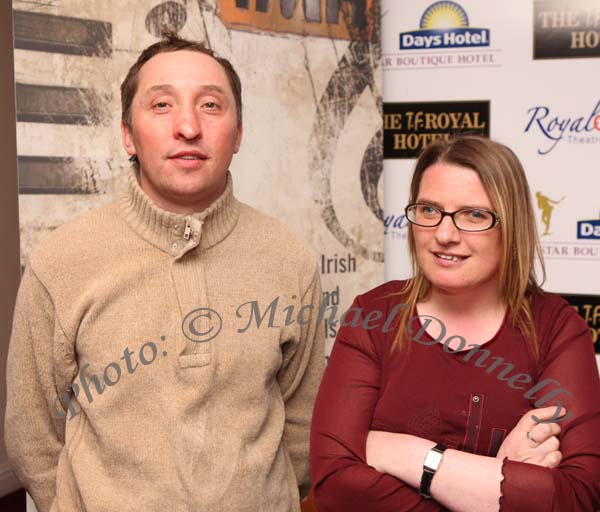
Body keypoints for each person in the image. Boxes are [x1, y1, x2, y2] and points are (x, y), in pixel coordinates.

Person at [5, 34, 324, 511]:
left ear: (238, 134)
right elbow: (33, 433)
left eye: (211, 105)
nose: (189, 126)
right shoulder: (62, 261)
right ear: (128, 135)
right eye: (161, 104)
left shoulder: (289, 258)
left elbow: (302, 421)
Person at [310, 135, 600, 511]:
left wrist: (407, 455)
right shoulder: (373, 316)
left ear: (511, 226)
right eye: (429, 210)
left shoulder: (556, 329)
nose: (444, 235)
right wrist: (499, 478)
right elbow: (335, 486)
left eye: (474, 215)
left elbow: (578, 497)